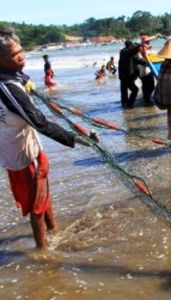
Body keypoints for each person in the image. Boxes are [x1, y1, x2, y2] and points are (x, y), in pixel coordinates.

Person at [0, 27, 98, 250]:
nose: (22, 56)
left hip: (16, 150)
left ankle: (53, 230)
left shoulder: (9, 81)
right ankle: (43, 252)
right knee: (36, 204)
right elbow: (40, 122)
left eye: (22, 51)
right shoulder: (9, 90)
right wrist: (76, 138)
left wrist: (25, 83)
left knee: (43, 196)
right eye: (16, 54)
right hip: (24, 155)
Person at [118, 40, 142, 108]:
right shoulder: (125, 51)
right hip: (126, 76)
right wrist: (141, 45)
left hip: (123, 76)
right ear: (130, 46)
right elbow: (135, 52)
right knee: (135, 89)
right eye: (132, 46)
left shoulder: (123, 52)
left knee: (124, 91)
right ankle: (129, 104)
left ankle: (124, 104)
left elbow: (137, 60)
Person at [138, 35, 155, 104]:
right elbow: (142, 59)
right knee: (148, 86)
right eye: (147, 41)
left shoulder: (147, 48)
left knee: (150, 85)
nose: (149, 42)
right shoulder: (141, 49)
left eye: (149, 41)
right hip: (145, 71)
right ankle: (147, 100)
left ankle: (147, 99)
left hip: (149, 70)